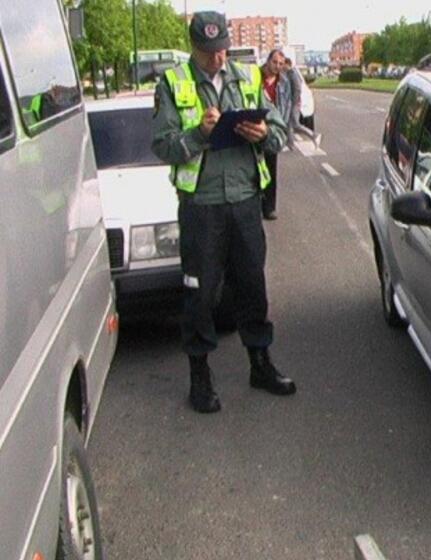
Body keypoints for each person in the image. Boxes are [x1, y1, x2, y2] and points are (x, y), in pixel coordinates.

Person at [151, 11, 295, 414]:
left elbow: (282, 131)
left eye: (223, 49)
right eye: (210, 52)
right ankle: (200, 375)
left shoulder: (247, 78)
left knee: (252, 285)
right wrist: (199, 134)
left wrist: (265, 134)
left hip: (245, 201)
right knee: (200, 293)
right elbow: (162, 145)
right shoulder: (173, 82)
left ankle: (260, 363)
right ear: (195, 48)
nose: (219, 58)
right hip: (202, 207)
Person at [260, 48, 293, 220]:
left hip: (272, 130)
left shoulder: (284, 82)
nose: (277, 66)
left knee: (271, 169)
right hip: (256, 126)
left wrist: (283, 129)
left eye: (281, 64)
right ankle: (255, 204)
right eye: (275, 62)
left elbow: (286, 105)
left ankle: (269, 207)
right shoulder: (255, 78)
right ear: (268, 61)